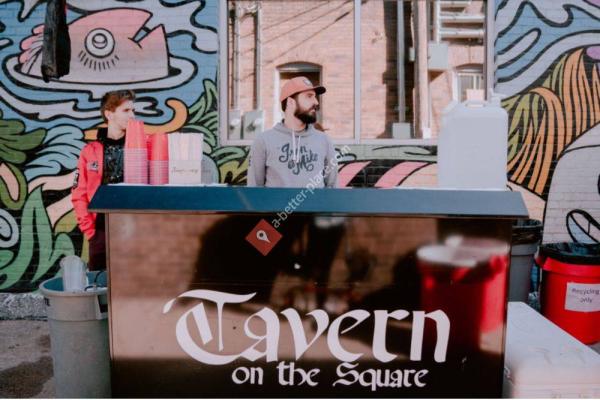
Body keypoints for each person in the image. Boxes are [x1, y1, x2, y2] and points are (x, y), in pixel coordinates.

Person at [72, 90, 135, 270]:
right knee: (99, 280)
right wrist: (90, 232)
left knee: (131, 278)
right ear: (109, 114)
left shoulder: (139, 147)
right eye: (126, 110)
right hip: (99, 229)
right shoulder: (89, 151)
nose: (132, 115)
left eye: (133, 110)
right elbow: (79, 194)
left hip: (133, 227)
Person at [247, 76, 338, 188]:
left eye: (315, 97)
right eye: (309, 96)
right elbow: (254, 189)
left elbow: (332, 187)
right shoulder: (264, 141)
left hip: (316, 200)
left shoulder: (324, 140)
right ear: (290, 102)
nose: (316, 102)